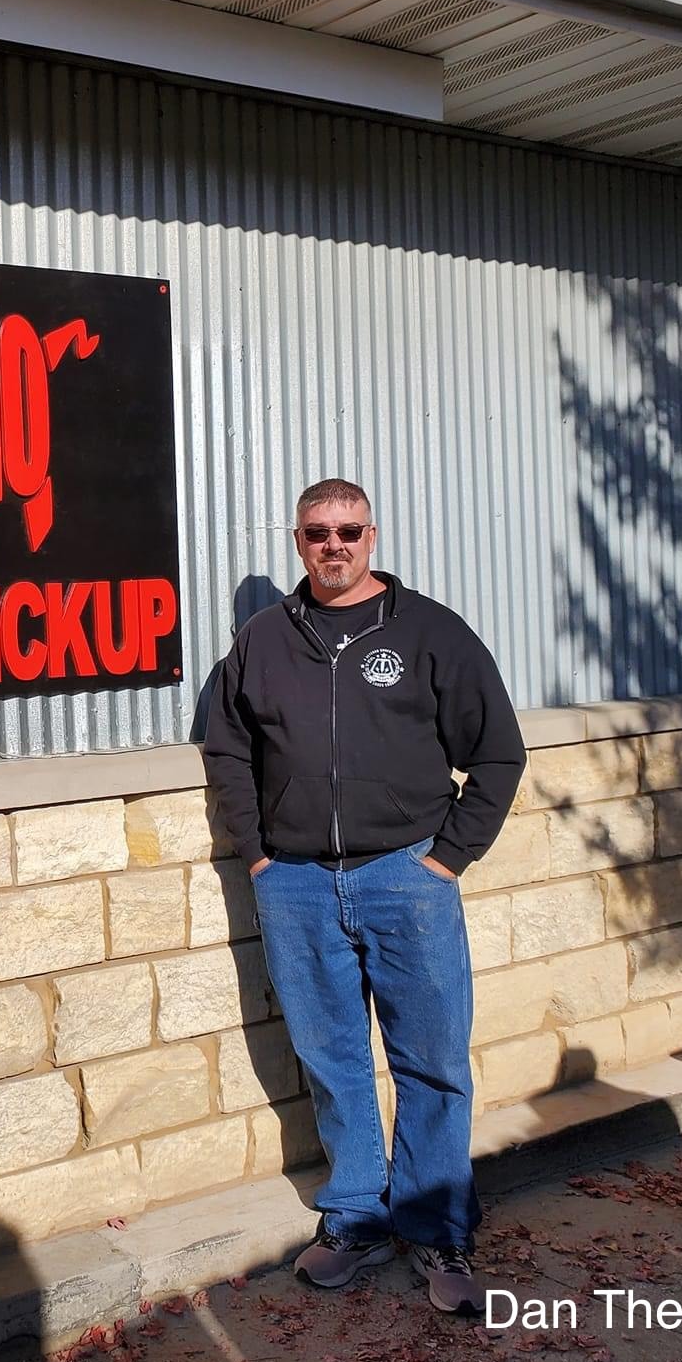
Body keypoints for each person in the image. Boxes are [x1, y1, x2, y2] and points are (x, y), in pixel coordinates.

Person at [201, 478, 526, 1316]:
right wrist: (259, 853)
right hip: (298, 886)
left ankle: (437, 1226)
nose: (333, 545)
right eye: (316, 533)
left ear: (372, 536)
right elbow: (227, 747)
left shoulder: (430, 633)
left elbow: (497, 756)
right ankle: (355, 1217)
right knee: (332, 1058)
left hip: (406, 879)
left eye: (348, 530)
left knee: (432, 1061)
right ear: (298, 541)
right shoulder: (263, 640)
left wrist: (446, 861)